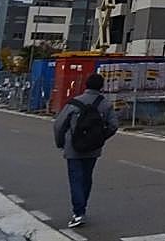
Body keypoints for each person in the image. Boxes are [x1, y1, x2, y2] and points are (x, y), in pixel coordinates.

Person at [53, 72, 118, 228]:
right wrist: (100, 138)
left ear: (86, 85)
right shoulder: (105, 104)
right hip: (93, 148)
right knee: (86, 178)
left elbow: (59, 124)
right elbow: (114, 125)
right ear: (102, 86)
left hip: (73, 148)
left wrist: (61, 142)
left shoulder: (74, 103)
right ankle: (82, 208)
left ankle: (78, 212)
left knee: (76, 179)